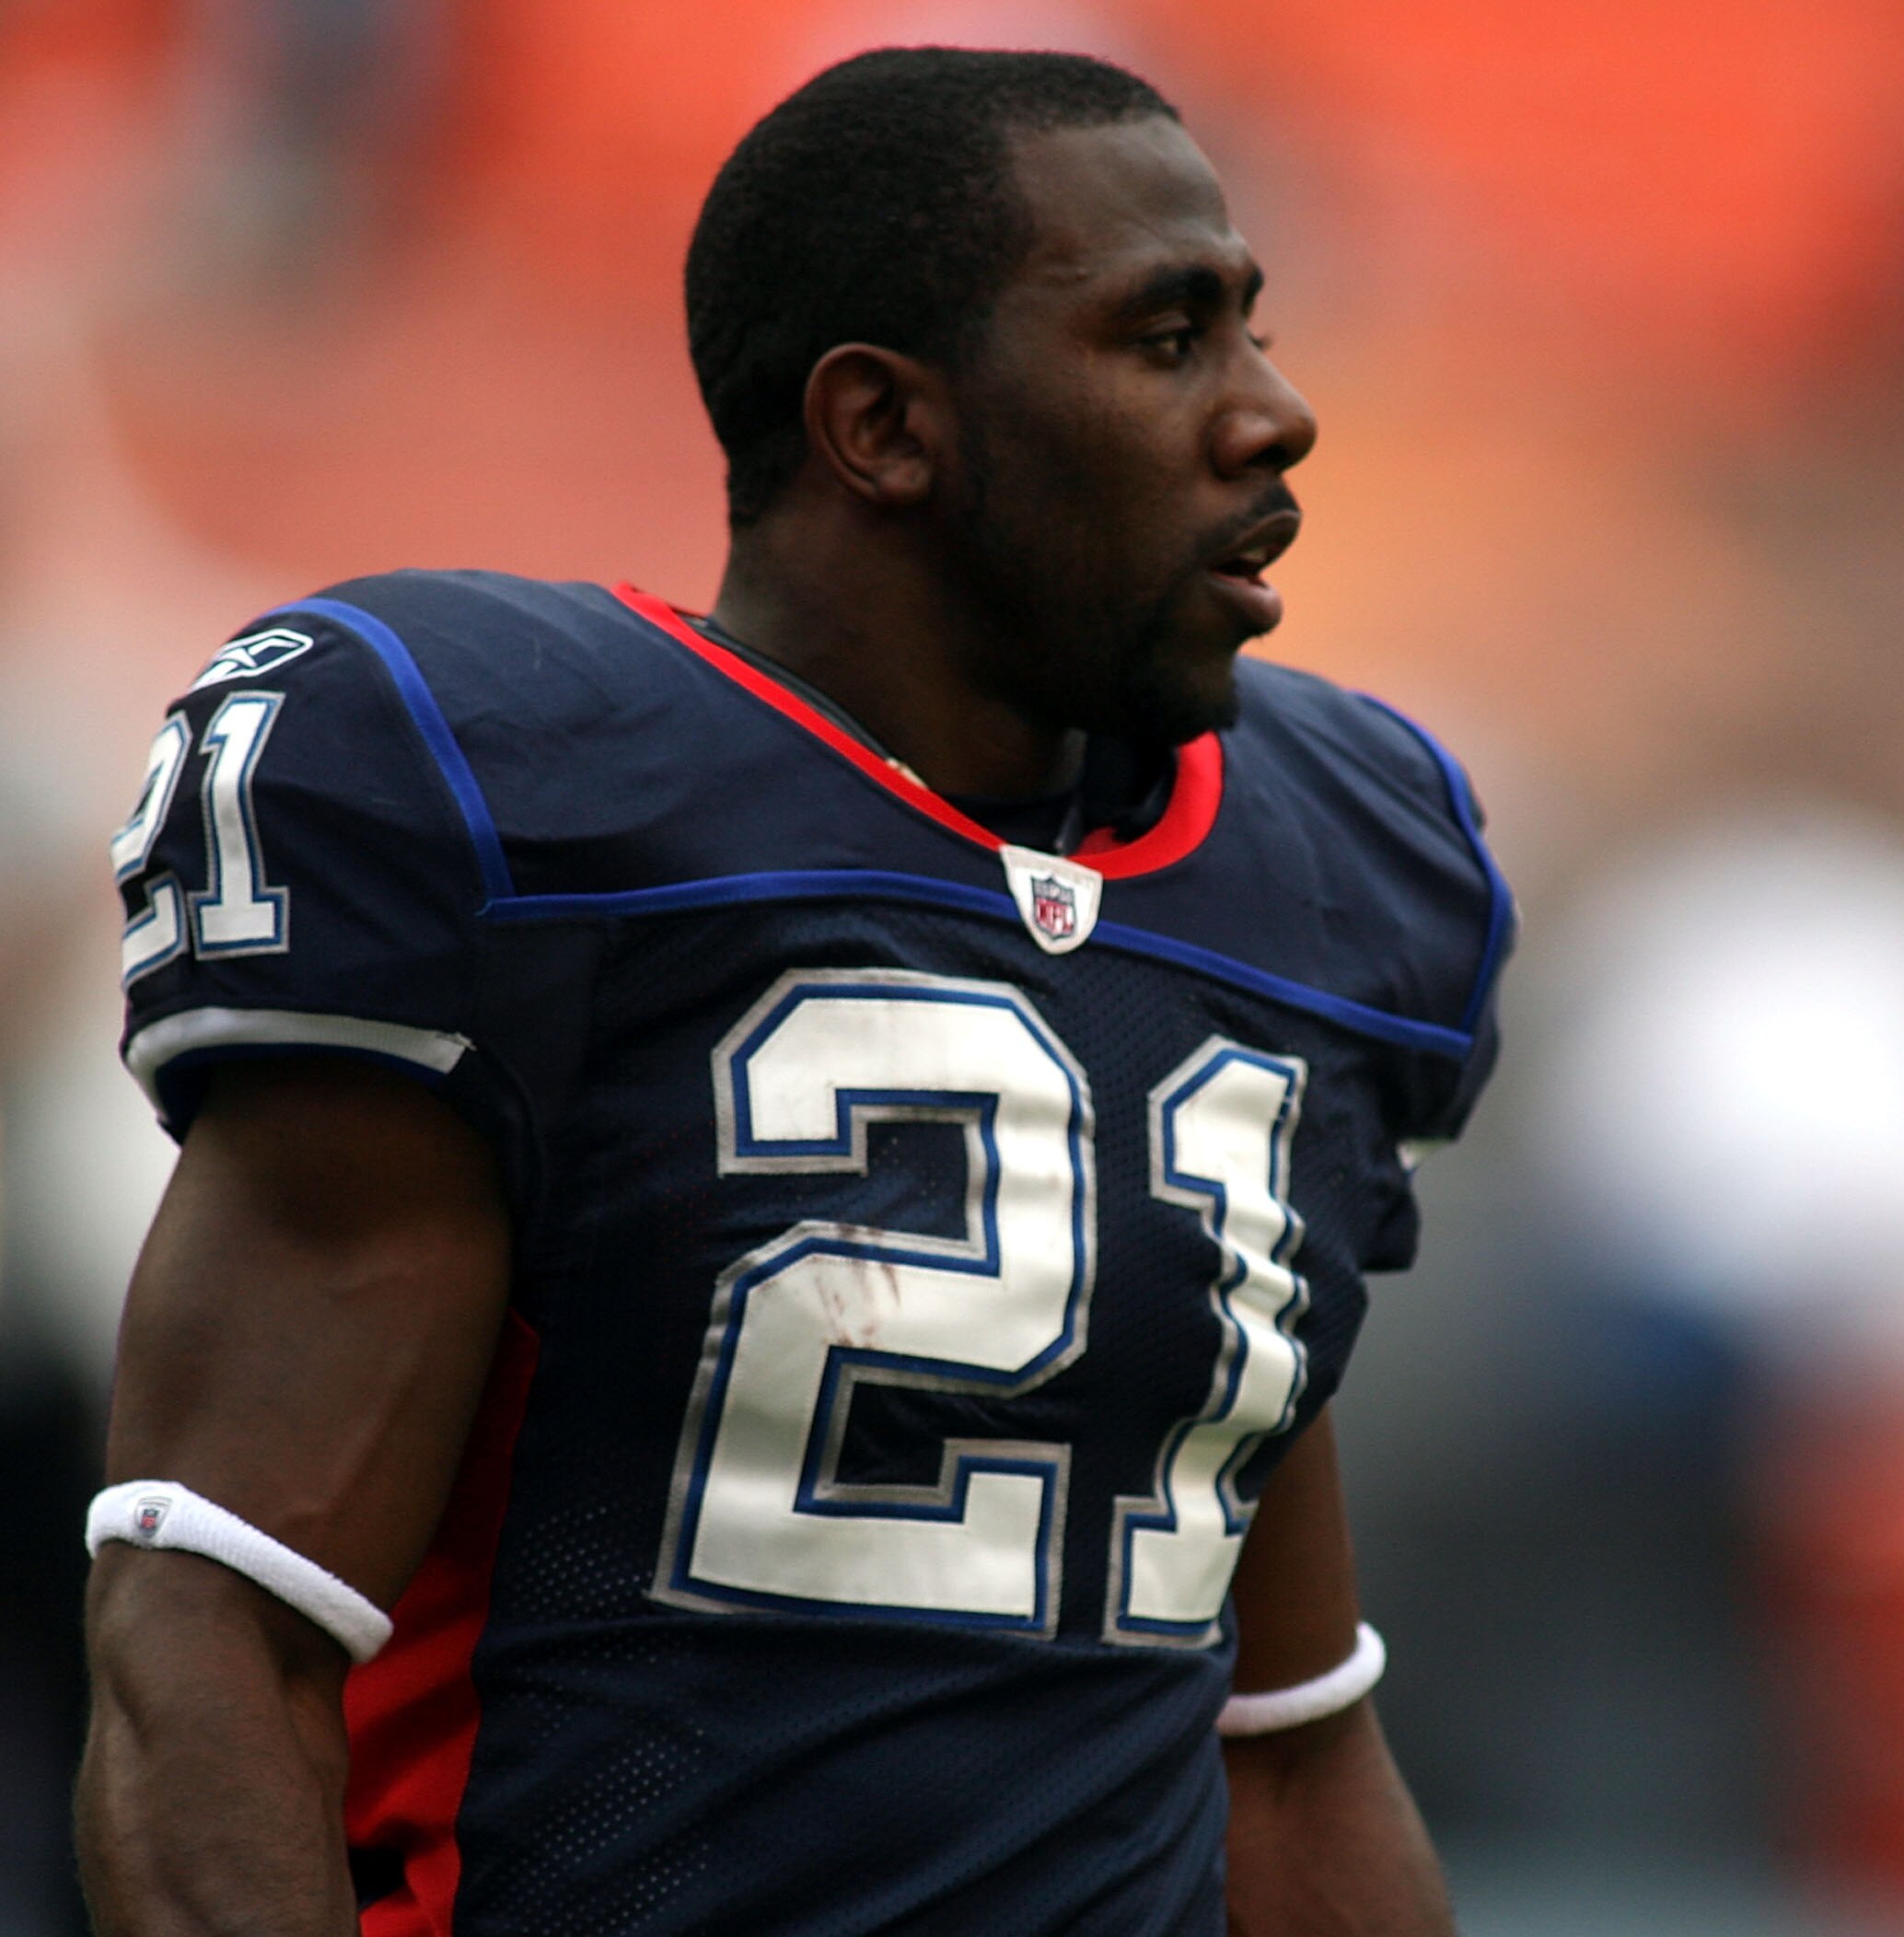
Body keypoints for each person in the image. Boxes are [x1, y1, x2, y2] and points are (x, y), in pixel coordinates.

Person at [75, 48, 1507, 1937]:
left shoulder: (1311, 875)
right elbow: (211, 1640)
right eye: (1166, 339)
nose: (1274, 416)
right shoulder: (523, 812)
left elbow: (1288, 1739)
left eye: (1251, 327)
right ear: (882, 426)